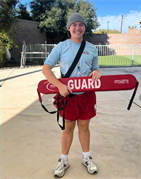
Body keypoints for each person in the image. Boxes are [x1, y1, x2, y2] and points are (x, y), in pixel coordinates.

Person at [42, 13, 101, 177]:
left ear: (84, 28)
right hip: (68, 97)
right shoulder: (61, 47)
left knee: (84, 127)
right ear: (69, 28)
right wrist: (59, 85)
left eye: (80, 25)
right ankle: (64, 160)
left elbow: (95, 68)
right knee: (68, 129)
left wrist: (96, 71)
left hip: (87, 95)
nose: (77, 28)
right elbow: (46, 69)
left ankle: (86, 158)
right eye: (74, 25)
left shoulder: (92, 48)